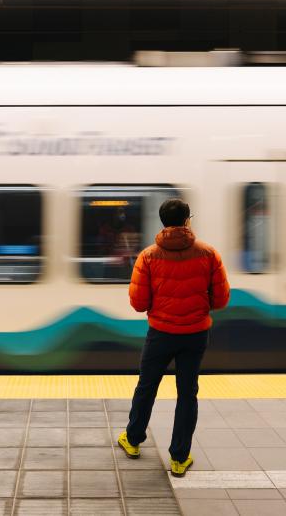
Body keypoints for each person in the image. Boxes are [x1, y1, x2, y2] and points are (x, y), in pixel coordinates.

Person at [117, 197, 230, 477]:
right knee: (187, 393)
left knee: (147, 386)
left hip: (161, 333)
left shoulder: (148, 256)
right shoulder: (209, 254)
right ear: (187, 220)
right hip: (195, 334)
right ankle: (179, 457)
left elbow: (138, 302)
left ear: (163, 222)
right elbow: (221, 299)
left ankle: (132, 440)